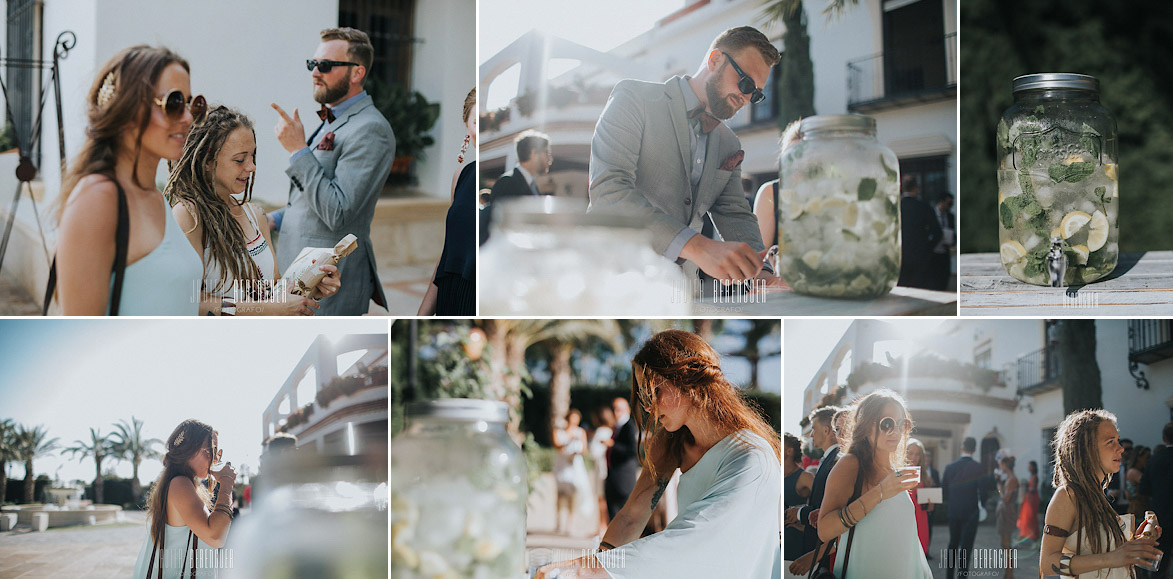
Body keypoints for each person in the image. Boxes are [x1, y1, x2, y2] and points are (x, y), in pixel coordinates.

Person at [536, 329, 782, 578]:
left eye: (653, 392)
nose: (647, 406)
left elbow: (691, 541)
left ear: (686, 380)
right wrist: (594, 568)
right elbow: (632, 516)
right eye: (642, 395)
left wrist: (590, 569)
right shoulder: (672, 442)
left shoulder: (751, 457)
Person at [588, 26, 781, 286]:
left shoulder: (729, 143)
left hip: (680, 293)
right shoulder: (633, 98)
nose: (746, 97)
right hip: (611, 280)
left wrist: (762, 274)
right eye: (745, 83)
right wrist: (698, 247)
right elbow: (609, 191)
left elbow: (735, 214)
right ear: (715, 60)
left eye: (756, 93)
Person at [53, 46, 204, 315]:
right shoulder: (98, 199)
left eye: (192, 104)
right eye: (174, 103)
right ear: (128, 108)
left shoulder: (156, 197)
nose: (188, 117)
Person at [166, 106, 339, 316]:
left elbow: (274, 291)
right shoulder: (189, 216)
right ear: (208, 162)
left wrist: (313, 285)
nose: (251, 166)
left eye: (252, 156)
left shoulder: (255, 215)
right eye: (240, 159)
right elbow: (191, 302)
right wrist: (268, 310)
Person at [271, 27, 394, 315]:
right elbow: (312, 199)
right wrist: (273, 219)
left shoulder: (371, 129)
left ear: (356, 73)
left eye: (325, 66)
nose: (315, 72)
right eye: (312, 64)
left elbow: (337, 211)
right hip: (297, 275)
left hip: (328, 283)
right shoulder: (333, 118)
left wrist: (298, 150)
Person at [814, 389, 930, 579]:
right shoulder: (851, 464)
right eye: (887, 424)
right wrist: (880, 492)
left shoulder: (894, 469)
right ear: (866, 426)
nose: (895, 431)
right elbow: (825, 530)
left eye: (901, 424)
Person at [1041, 409, 1163, 579]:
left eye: (1118, 441)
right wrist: (1111, 558)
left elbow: (1099, 553)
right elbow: (1047, 564)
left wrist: (1133, 546)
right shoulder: (1068, 495)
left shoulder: (1096, 494)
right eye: (1110, 442)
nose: (1120, 449)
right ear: (1086, 449)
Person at [132, 419, 237, 576]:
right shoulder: (180, 484)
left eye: (217, 452)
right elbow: (215, 536)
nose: (215, 459)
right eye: (211, 451)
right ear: (190, 451)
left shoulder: (179, 483)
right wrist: (227, 482)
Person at [418, 87, 477, 315]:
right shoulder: (460, 177)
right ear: (467, 127)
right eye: (476, 123)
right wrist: (422, 315)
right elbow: (448, 254)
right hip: (451, 296)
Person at [787, 405, 844, 576]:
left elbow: (833, 509)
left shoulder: (837, 461)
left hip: (825, 550)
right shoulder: (827, 459)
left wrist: (800, 513)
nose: (811, 434)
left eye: (814, 428)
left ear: (827, 430)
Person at [942, 436, 991, 579]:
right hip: (971, 512)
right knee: (966, 547)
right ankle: (961, 577)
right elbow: (983, 492)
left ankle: (948, 576)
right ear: (974, 449)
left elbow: (944, 491)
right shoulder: (979, 467)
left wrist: (953, 501)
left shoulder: (950, 467)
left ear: (962, 448)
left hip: (954, 511)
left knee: (952, 544)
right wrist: (980, 505)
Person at [897, 175, 943, 290]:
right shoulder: (923, 207)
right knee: (920, 291)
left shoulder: (896, 207)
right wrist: (927, 249)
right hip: (920, 257)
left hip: (899, 256)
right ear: (916, 188)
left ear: (902, 188)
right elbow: (938, 233)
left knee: (900, 291)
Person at [1140, 423, 1173, 579]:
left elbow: (1143, 489)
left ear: (1163, 438)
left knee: (1161, 562)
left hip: (1162, 517)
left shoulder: (1154, 460)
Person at [553, 409, 594, 536]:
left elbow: (585, 449)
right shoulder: (559, 431)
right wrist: (569, 440)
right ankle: (559, 522)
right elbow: (557, 445)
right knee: (560, 494)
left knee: (574, 495)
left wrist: (577, 452)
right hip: (562, 464)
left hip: (575, 465)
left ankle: (570, 524)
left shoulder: (580, 432)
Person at [605, 396, 638, 520]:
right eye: (614, 409)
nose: (615, 412)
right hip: (613, 478)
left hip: (624, 479)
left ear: (627, 410)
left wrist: (613, 445)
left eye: (619, 409)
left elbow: (632, 450)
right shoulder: (616, 427)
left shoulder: (629, 426)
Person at [784, 432, 815, 564]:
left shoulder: (805, 477)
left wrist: (803, 524)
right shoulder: (776, 473)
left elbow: (822, 504)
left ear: (789, 451)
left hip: (794, 544)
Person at [906, 438, 933, 555]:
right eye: (910, 453)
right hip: (904, 520)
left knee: (920, 554)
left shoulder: (925, 477)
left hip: (920, 519)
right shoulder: (898, 474)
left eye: (917, 454)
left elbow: (931, 508)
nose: (913, 457)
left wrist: (928, 502)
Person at [996, 454, 1020, 578]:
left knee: (1006, 544)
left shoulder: (1012, 479)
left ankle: (1009, 573)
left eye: (1001, 464)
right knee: (1004, 543)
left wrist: (999, 487)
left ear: (1005, 465)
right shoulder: (1010, 478)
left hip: (1007, 513)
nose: (1000, 466)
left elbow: (1006, 498)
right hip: (1005, 512)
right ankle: (1008, 572)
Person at [929, 192, 956, 290]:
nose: (950, 206)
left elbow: (953, 233)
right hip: (933, 253)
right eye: (949, 204)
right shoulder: (930, 214)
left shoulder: (950, 216)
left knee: (944, 280)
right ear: (941, 202)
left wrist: (952, 242)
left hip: (945, 253)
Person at [1018, 460, 1042, 545]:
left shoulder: (1035, 477)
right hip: (1029, 498)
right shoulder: (1032, 476)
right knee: (1026, 518)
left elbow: (1034, 489)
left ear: (1033, 467)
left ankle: (1034, 539)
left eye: (1030, 466)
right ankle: (1027, 537)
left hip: (1032, 499)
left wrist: (1026, 489)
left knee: (1031, 518)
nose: (1028, 468)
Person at [1126, 446, 1151, 521]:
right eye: (1147, 457)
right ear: (1139, 458)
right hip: (1137, 509)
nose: (1148, 460)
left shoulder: (1135, 471)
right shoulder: (1134, 472)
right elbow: (1148, 485)